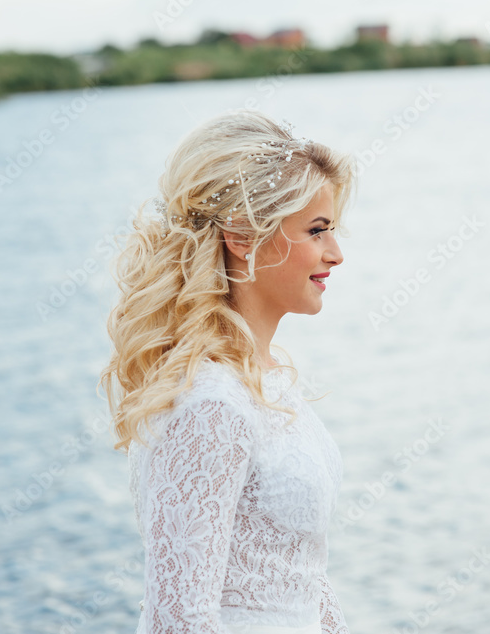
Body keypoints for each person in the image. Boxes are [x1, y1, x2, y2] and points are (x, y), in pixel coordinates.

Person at [98, 109, 356, 634]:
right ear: (242, 235)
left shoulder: (267, 381)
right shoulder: (211, 404)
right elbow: (179, 620)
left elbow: (303, 576)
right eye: (317, 231)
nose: (336, 253)